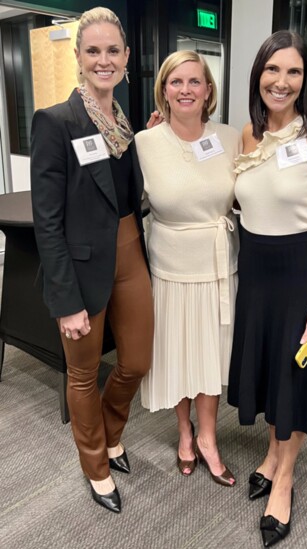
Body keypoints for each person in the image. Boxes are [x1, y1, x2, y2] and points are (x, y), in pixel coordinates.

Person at [227, 30, 307, 546]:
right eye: (272, 70)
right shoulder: (247, 136)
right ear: (258, 74)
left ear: (306, 79)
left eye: (293, 71)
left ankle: (286, 478)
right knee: (270, 371)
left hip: (304, 275)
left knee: (295, 376)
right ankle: (272, 454)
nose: (281, 81)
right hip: (256, 273)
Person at [30, 7, 154, 513]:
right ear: (79, 59)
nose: (104, 60)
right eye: (93, 51)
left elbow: (130, 193)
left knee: (137, 361)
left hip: (129, 252)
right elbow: (47, 222)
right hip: (80, 268)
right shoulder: (56, 122)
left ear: (126, 58)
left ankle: (111, 429)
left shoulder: (126, 123)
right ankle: (96, 464)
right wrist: (65, 300)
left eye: (113, 51)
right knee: (82, 374)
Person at [135, 51, 240, 486]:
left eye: (194, 82)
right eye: (175, 82)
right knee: (178, 354)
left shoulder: (233, 138)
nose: (185, 90)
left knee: (211, 356)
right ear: (163, 89)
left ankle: (209, 438)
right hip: (169, 268)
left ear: (209, 90)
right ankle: (184, 433)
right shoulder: (144, 143)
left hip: (218, 266)